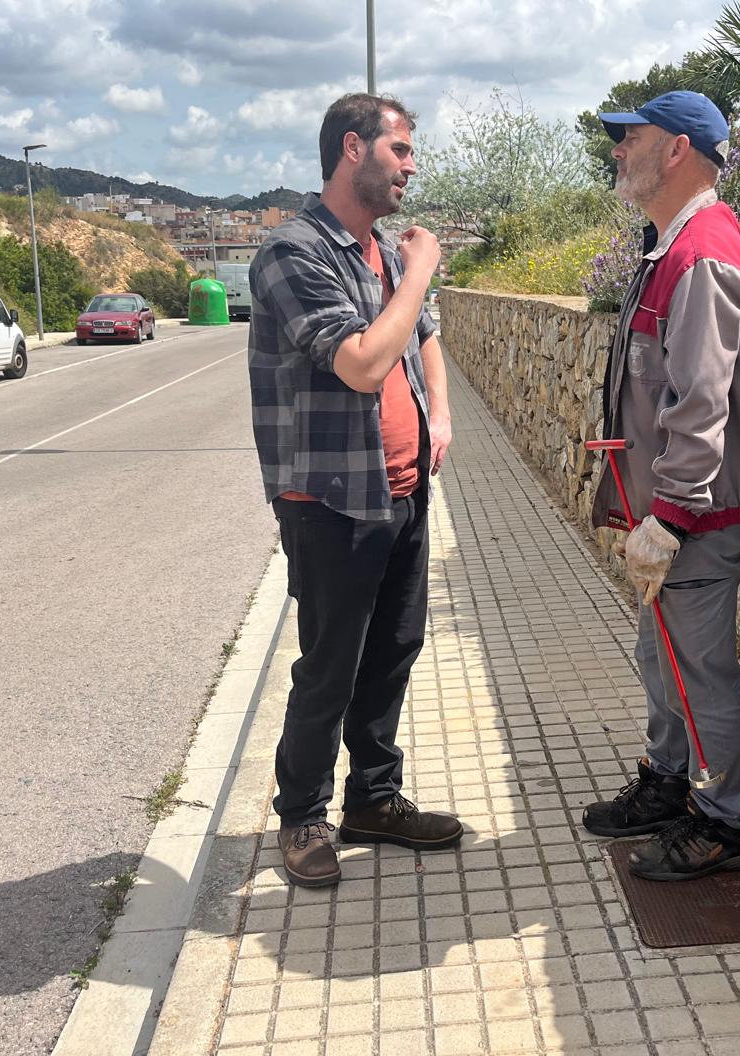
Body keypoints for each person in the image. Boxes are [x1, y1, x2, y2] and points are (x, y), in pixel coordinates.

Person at [248, 92, 461, 889]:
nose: (411, 165)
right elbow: (365, 361)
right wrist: (425, 265)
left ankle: (373, 799)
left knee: (394, 652)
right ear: (352, 149)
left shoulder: (384, 254)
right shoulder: (290, 253)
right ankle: (302, 814)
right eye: (401, 150)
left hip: (403, 493)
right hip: (331, 500)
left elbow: (423, 337)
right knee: (330, 665)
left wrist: (438, 412)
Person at [582, 91, 740, 882]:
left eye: (629, 138)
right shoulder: (675, 245)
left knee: (697, 668)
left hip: (698, 514)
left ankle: (725, 823)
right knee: (660, 652)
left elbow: (700, 400)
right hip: (683, 510)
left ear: (676, 150)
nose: (617, 151)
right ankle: (671, 783)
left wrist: (667, 517)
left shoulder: (701, 252)